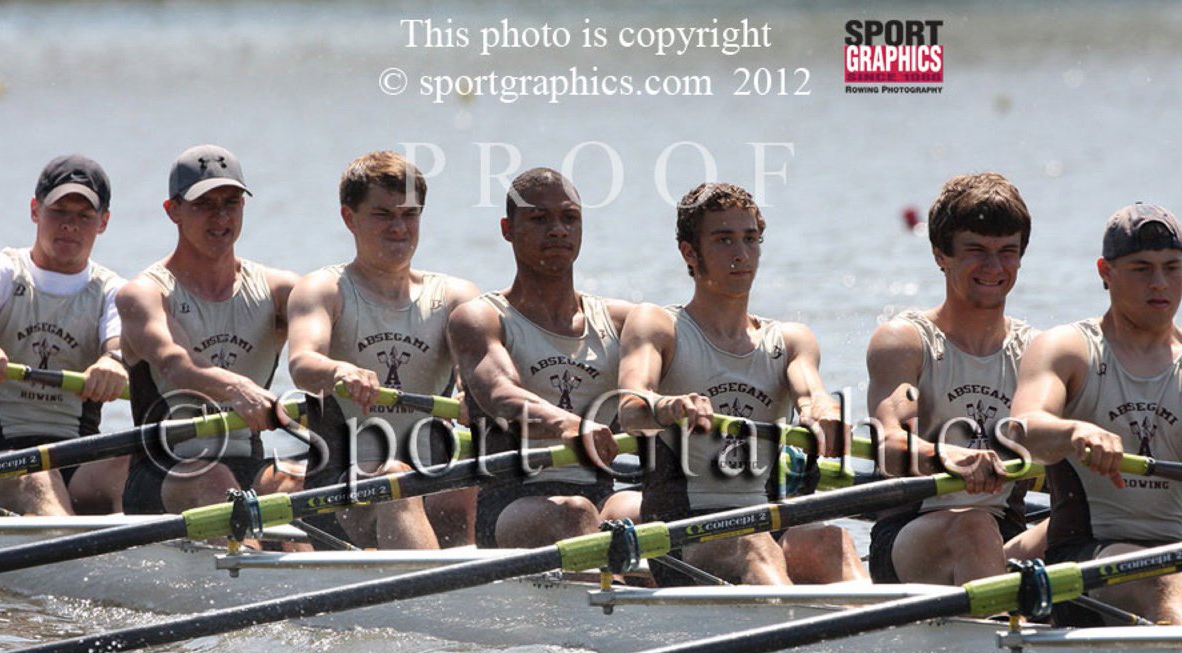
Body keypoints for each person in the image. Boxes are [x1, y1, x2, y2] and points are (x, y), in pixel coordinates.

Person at [618, 181, 866, 585]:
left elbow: (813, 395)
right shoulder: (659, 325)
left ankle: (875, 642)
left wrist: (824, 414)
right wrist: (667, 406)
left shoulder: (789, 339)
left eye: (750, 239)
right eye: (723, 240)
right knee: (753, 544)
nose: (741, 254)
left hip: (768, 525)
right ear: (689, 253)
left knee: (832, 540)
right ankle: (796, 634)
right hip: (681, 536)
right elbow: (631, 408)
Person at [288, 151, 479, 549]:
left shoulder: (455, 296)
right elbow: (303, 363)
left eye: (409, 214)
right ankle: (437, 601)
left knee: (478, 485)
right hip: (343, 485)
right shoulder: (324, 290)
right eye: (382, 214)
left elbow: (473, 366)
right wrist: (338, 371)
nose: (399, 227)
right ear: (348, 218)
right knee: (396, 478)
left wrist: (471, 392)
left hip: (433, 474)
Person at [866, 172, 1043, 586]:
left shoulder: (1037, 351)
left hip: (1005, 533)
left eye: (1007, 251)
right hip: (911, 534)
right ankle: (1002, 643)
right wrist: (956, 459)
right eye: (976, 251)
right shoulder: (905, 341)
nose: (994, 267)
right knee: (974, 524)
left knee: (1108, 530)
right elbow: (891, 445)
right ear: (939, 255)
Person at [448, 168, 639, 548]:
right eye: (539, 219)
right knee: (574, 511)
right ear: (507, 229)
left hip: (602, 494)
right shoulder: (480, 317)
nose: (558, 230)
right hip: (510, 504)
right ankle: (613, 596)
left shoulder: (623, 321)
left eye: (569, 218)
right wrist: (569, 425)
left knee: (647, 509)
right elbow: (502, 396)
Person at [1012, 202, 1182, 624]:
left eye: (1173, 267)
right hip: (1084, 561)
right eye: (1142, 268)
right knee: (1163, 583)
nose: (1160, 283)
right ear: (1105, 272)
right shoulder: (1068, 349)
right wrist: (1072, 432)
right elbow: (1023, 426)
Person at [117, 145, 297, 515]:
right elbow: (177, 365)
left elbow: (338, 329)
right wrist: (237, 386)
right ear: (173, 211)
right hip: (162, 472)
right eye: (203, 204)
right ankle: (260, 564)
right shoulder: (145, 293)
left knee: (298, 483)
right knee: (216, 482)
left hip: (249, 466)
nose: (220, 217)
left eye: (231, 202)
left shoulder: (279, 290)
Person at [0, 154, 128, 515]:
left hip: (76, 458)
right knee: (37, 474)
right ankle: (77, 561)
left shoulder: (112, 291)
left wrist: (113, 363)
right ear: (35, 210)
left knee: (138, 461)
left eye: (83, 216)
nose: (70, 226)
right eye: (59, 211)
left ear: (104, 222)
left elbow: (120, 346)